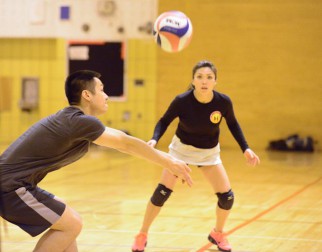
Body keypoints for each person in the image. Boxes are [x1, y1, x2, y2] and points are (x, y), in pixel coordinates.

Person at [0, 70, 193, 252]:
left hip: (15, 184)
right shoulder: (79, 121)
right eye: (101, 89)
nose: (106, 95)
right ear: (87, 95)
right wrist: (169, 161)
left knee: (67, 221)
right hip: (11, 186)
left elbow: (122, 143)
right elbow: (126, 143)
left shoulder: (75, 120)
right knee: (72, 224)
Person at [131, 60, 260, 252]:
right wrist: (154, 139)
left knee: (227, 198)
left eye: (209, 77)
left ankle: (217, 233)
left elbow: (233, 124)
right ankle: (142, 234)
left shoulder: (223, 102)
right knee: (161, 194)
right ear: (193, 80)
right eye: (199, 77)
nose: (204, 81)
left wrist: (246, 148)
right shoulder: (182, 101)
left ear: (215, 81)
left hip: (208, 153)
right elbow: (164, 120)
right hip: (180, 151)